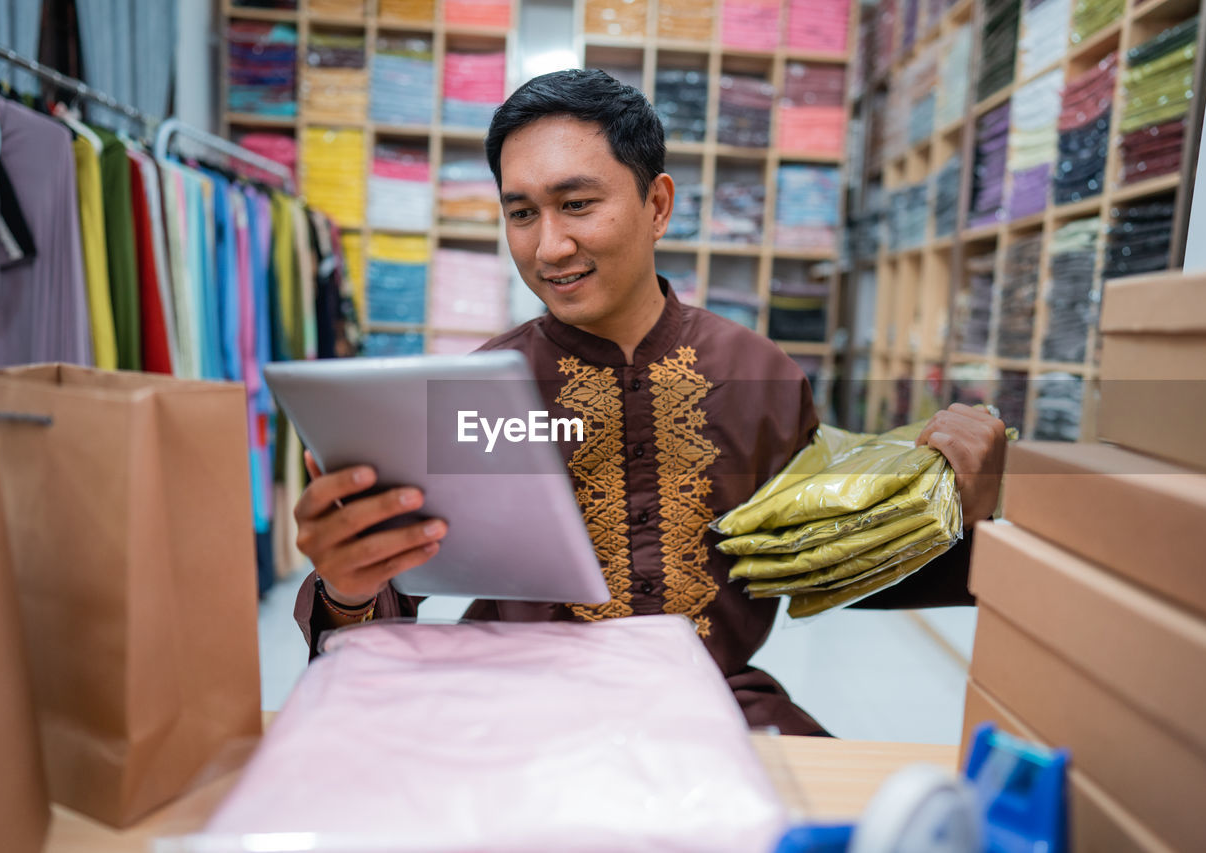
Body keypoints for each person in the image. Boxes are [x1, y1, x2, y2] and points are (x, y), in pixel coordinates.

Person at [292, 69, 1006, 735]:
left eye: (577, 204)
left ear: (656, 204)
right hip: (521, 712)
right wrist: (346, 586)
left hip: (716, 707)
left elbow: (840, 560)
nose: (549, 245)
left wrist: (959, 502)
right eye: (521, 212)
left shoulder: (760, 375)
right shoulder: (474, 393)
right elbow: (375, 619)